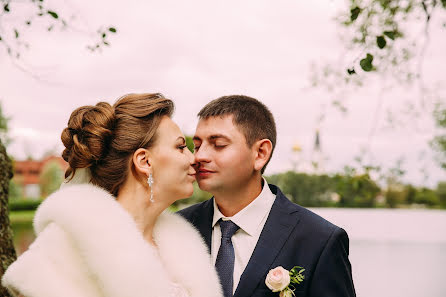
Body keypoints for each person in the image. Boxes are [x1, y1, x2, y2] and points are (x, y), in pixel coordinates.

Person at [2, 93, 223, 297]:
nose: (194, 158)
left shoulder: (185, 248)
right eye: (181, 147)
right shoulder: (56, 261)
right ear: (144, 161)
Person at [178, 95, 356, 297]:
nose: (200, 156)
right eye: (198, 145)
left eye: (218, 144)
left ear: (260, 153)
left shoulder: (319, 240)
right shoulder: (177, 227)